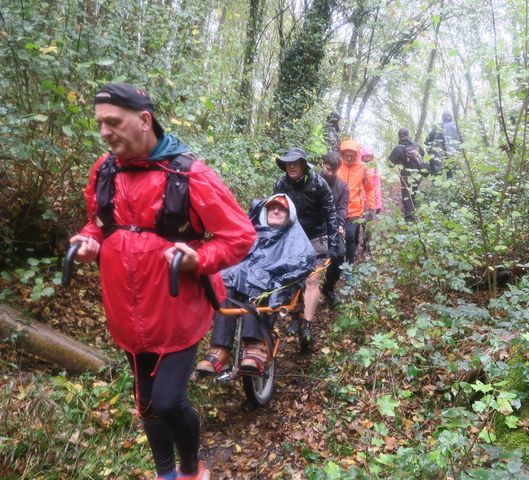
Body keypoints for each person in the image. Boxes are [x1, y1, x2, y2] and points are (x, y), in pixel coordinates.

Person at [69, 83, 256, 480]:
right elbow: (99, 223)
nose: (104, 132)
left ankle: (191, 470)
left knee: (168, 401)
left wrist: (199, 258)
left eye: (113, 122)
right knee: (147, 404)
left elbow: (240, 237)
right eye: (100, 123)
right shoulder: (104, 172)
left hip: (177, 312)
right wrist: (89, 241)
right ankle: (164, 473)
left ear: (144, 120)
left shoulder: (190, 174)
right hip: (125, 312)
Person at [195, 193, 316, 374]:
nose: (276, 210)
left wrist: (271, 278)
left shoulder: (294, 237)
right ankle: (220, 350)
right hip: (242, 281)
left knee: (258, 287)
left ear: (289, 214)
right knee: (225, 288)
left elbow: (300, 262)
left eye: (281, 209)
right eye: (272, 207)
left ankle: (254, 347)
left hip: (268, 287)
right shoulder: (251, 232)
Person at [273, 147, 339, 347]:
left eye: (295, 162)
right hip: (290, 238)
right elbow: (274, 213)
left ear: (303, 164)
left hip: (316, 237)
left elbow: (331, 213)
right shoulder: (280, 185)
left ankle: (306, 325)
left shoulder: (319, 184)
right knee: (292, 278)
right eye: (287, 163)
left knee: (312, 278)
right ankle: (295, 313)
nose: (291, 166)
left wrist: (333, 243)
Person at [338, 140, 375, 264]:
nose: (349, 158)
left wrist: (371, 206)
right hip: (338, 208)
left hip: (355, 209)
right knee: (338, 237)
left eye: (351, 155)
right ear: (342, 154)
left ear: (356, 155)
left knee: (350, 236)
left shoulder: (362, 168)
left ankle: (348, 266)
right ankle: (336, 264)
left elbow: (369, 188)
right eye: (346, 155)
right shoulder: (337, 165)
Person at [319, 152, 348, 308]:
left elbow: (342, 208)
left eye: (333, 171)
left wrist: (340, 224)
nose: (330, 173)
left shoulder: (342, 186)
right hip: (311, 227)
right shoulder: (311, 181)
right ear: (322, 164)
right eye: (327, 169)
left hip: (332, 227)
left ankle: (328, 288)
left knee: (338, 258)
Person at [388, 128, 426, 222]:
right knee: (413, 193)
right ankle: (413, 213)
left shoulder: (398, 148)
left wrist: (400, 161)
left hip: (406, 175)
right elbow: (423, 154)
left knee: (406, 197)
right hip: (418, 174)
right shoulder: (416, 145)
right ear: (408, 134)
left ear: (399, 136)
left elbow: (390, 164)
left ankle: (410, 220)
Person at [360, 146, 382, 256]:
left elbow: (377, 186)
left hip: (370, 201)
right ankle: (356, 245)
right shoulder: (358, 167)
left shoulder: (375, 169)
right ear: (362, 156)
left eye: (370, 156)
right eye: (366, 156)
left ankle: (367, 247)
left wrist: (378, 203)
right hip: (358, 201)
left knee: (368, 226)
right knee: (357, 225)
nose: (368, 158)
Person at [425, 111, 462, 178]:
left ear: (443, 117)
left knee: (437, 174)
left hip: (438, 155)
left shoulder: (438, 126)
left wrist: (430, 151)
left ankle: (436, 186)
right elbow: (461, 141)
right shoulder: (456, 126)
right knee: (450, 171)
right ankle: (450, 185)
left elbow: (427, 141)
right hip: (453, 154)